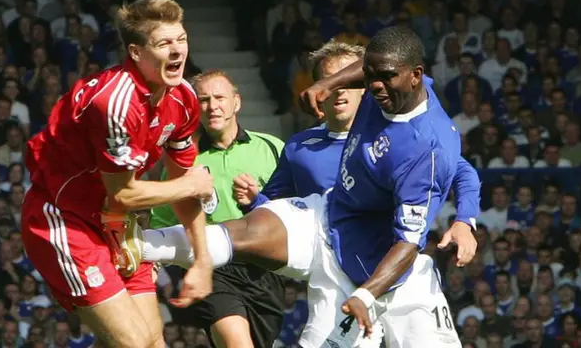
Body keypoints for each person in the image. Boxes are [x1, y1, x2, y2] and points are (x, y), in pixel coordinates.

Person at [135, 28, 478, 347]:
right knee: (249, 231)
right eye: (369, 76)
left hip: (387, 273)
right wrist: (325, 83)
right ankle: (134, 244)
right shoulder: (303, 145)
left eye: (383, 77)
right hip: (326, 218)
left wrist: (465, 218)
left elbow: (427, 215)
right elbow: (374, 65)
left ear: (414, 75)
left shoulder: (428, 149)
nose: (373, 86)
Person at [20, 0, 214, 348]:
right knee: (135, 345)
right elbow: (125, 193)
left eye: (181, 39)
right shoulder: (115, 103)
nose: (176, 51)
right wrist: (191, 184)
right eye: (163, 43)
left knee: (152, 344)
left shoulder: (184, 97)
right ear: (136, 52)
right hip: (66, 221)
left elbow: (185, 185)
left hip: (119, 224)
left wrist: (202, 261)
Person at [150, 69, 288, 348]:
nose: (212, 106)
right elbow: (162, 220)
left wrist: (259, 200)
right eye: (203, 99)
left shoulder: (273, 148)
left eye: (219, 97)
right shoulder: (183, 160)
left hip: (265, 269)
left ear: (236, 102)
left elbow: (293, 210)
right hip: (213, 266)